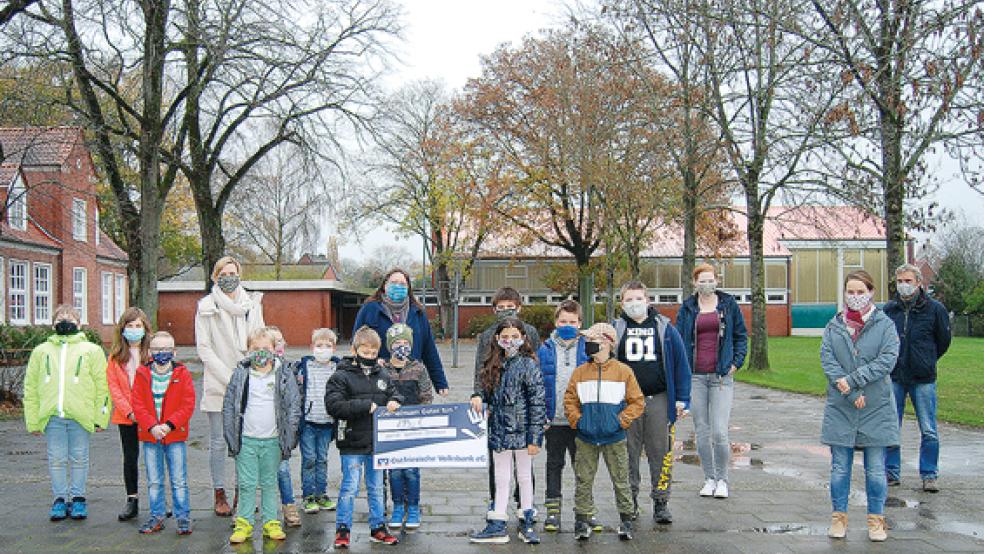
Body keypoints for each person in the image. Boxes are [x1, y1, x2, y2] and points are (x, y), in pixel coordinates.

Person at [821, 270, 900, 543]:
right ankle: (838, 518)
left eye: (860, 292)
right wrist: (849, 391)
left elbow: (887, 359)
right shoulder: (834, 326)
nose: (855, 297)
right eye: (850, 292)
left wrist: (855, 381)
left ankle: (876, 521)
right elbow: (828, 360)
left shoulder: (885, 325)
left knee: (876, 470)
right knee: (839, 468)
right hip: (841, 406)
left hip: (876, 407)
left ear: (871, 293)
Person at [614, 280, 691, 524]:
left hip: (658, 398)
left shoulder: (665, 328)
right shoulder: (615, 329)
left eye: (639, 299)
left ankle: (661, 501)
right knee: (628, 453)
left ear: (648, 301)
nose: (634, 304)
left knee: (661, 452)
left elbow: (681, 364)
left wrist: (682, 399)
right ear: (622, 303)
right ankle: (630, 501)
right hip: (627, 401)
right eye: (629, 299)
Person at [24, 304, 110, 521]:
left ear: (79, 323)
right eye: (60, 317)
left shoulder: (92, 350)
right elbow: (31, 387)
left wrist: (101, 416)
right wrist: (33, 420)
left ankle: (78, 498)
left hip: (80, 415)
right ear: (53, 324)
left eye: (70, 317)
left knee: (80, 458)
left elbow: (103, 386)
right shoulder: (41, 351)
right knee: (56, 459)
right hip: (52, 416)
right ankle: (59, 499)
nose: (65, 319)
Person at [196, 255, 265, 516]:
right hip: (218, 380)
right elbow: (204, 347)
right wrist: (228, 376)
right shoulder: (206, 306)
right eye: (223, 273)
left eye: (233, 272)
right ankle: (219, 491)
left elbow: (259, 338)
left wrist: (251, 373)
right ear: (216, 276)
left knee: (245, 441)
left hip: (249, 379)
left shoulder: (252, 303)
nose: (228, 277)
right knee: (218, 441)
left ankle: (243, 490)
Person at [564, 323, 645, 542]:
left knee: (621, 479)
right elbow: (570, 400)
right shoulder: (580, 372)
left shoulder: (623, 372)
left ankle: (626, 520)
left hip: (614, 437)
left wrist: (620, 421)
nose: (588, 344)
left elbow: (637, 402)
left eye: (594, 340)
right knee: (583, 480)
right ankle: (582, 520)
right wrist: (578, 421)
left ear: (608, 343)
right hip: (586, 437)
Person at [469, 317, 545, 545]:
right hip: (499, 430)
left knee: (524, 476)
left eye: (514, 337)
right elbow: (485, 390)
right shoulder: (492, 363)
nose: (510, 341)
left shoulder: (529, 365)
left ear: (523, 338)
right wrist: (478, 397)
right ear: (497, 339)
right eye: (505, 337)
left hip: (522, 432)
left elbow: (537, 402)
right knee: (501, 477)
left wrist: (535, 437)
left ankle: (527, 518)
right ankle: (497, 523)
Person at [326, 326, 403, 548]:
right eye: (365, 352)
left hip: (377, 443)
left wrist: (395, 401)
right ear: (354, 349)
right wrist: (364, 406)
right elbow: (334, 405)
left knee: (377, 487)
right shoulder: (340, 376)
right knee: (349, 487)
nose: (369, 357)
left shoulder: (383, 374)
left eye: (373, 353)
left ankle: (378, 527)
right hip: (351, 441)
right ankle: (343, 529)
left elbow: (395, 392)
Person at [675, 263, 748, 499]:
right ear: (694, 283)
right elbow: (678, 340)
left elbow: (740, 336)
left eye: (711, 280)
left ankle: (722, 479)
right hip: (695, 377)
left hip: (720, 377)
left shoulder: (728, 305)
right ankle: (709, 478)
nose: (707, 284)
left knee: (719, 431)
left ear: (717, 280)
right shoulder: (687, 308)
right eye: (702, 280)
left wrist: (735, 363)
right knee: (702, 431)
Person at [223, 327, 301, 544]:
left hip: (273, 440)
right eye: (255, 349)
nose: (261, 352)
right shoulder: (240, 374)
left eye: (266, 348)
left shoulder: (283, 374)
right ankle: (244, 523)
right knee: (247, 484)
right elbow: (229, 406)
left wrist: (289, 436)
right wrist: (232, 438)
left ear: (275, 349)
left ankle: (270, 522)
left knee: (269, 482)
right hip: (246, 439)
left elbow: (294, 405)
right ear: (248, 350)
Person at [883, 263, 951, 492]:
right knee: (891, 426)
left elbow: (943, 341)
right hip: (895, 376)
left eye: (908, 281)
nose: (904, 285)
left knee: (928, 428)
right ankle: (891, 472)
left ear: (918, 283)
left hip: (923, 378)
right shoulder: (889, 310)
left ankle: (929, 473)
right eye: (900, 281)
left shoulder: (935, 310)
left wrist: (927, 359)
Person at [131, 331, 195, 535]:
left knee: (179, 479)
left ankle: (183, 517)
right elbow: (138, 404)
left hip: (174, 436)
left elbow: (188, 404)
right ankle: (157, 516)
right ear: (150, 351)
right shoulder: (142, 374)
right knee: (154, 480)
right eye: (158, 349)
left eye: (167, 349)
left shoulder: (182, 374)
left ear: (174, 352)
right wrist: (152, 426)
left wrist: (169, 425)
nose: (162, 353)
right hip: (151, 436)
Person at [352, 268, 449, 396]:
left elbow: (429, 349)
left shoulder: (417, 313)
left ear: (408, 288)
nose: (398, 286)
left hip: (411, 381)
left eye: (402, 284)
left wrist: (440, 382)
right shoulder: (369, 309)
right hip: (378, 380)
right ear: (384, 285)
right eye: (394, 282)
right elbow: (356, 344)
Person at [538, 300, 588, 532]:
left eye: (572, 322)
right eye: (563, 321)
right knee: (554, 465)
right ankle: (553, 511)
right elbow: (538, 383)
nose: (567, 325)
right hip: (554, 420)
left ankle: (584, 511)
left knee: (583, 468)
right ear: (556, 322)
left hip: (580, 420)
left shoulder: (588, 348)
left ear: (580, 323)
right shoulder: (545, 349)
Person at [382, 323, 433, 530]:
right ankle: (397, 506)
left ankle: (413, 507)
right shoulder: (382, 369)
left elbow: (427, 396)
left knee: (411, 470)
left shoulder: (418, 368)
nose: (401, 346)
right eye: (397, 343)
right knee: (394, 471)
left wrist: (420, 418)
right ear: (389, 346)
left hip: (413, 428)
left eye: (405, 343)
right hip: (391, 431)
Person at [105, 307, 153, 521]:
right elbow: (114, 388)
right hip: (127, 417)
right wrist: (130, 411)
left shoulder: (152, 355)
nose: (134, 330)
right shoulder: (116, 358)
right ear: (122, 329)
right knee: (130, 458)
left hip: (152, 416)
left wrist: (147, 413)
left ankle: (158, 498)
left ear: (145, 329)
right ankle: (132, 499)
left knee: (154, 456)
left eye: (138, 326)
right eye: (130, 326)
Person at [296, 328, 340, 514]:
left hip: (327, 422)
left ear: (334, 348)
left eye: (327, 345)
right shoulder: (303, 367)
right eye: (319, 345)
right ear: (312, 347)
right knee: (309, 460)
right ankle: (308, 496)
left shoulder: (338, 368)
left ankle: (321, 494)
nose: (323, 349)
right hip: (309, 422)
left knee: (322, 459)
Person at [268, 326, 301, 528]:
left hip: (279, 433)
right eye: (275, 342)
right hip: (259, 432)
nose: (280, 345)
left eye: (281, 341)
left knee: (283, 471)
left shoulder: (288, 369)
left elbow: (293, 403)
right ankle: (245, 510)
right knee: (251, 475)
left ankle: (289, 505)